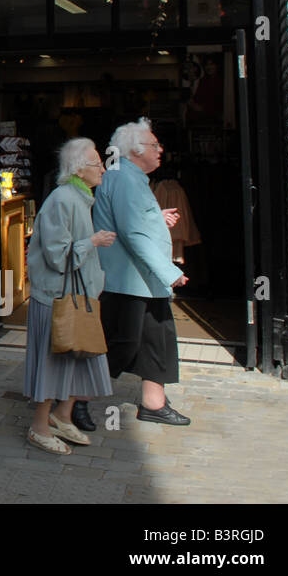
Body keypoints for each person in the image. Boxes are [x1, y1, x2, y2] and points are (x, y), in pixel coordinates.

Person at [23, 138, 117, 454]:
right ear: (78, 168)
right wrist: (92, 241)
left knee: (81, 359)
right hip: (58, 300)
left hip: (77, 298)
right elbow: (56, 255)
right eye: (96, 163)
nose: (102, 167)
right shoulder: (63, 199)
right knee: (53, 363)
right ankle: (39, 427)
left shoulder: (81, 198)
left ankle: (62, 416)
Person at [93, 119, 189, 425]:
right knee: (119, 345)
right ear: (135, 150)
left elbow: (133, 221)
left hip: (142, 282)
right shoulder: (124, 178)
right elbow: (133, 232)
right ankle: (68, 399)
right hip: (129, 282)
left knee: (156, 340)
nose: (160, 150)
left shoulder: (131, 178)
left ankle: (153, 403)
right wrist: (169, 271)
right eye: (154, 144)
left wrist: (157, 218)